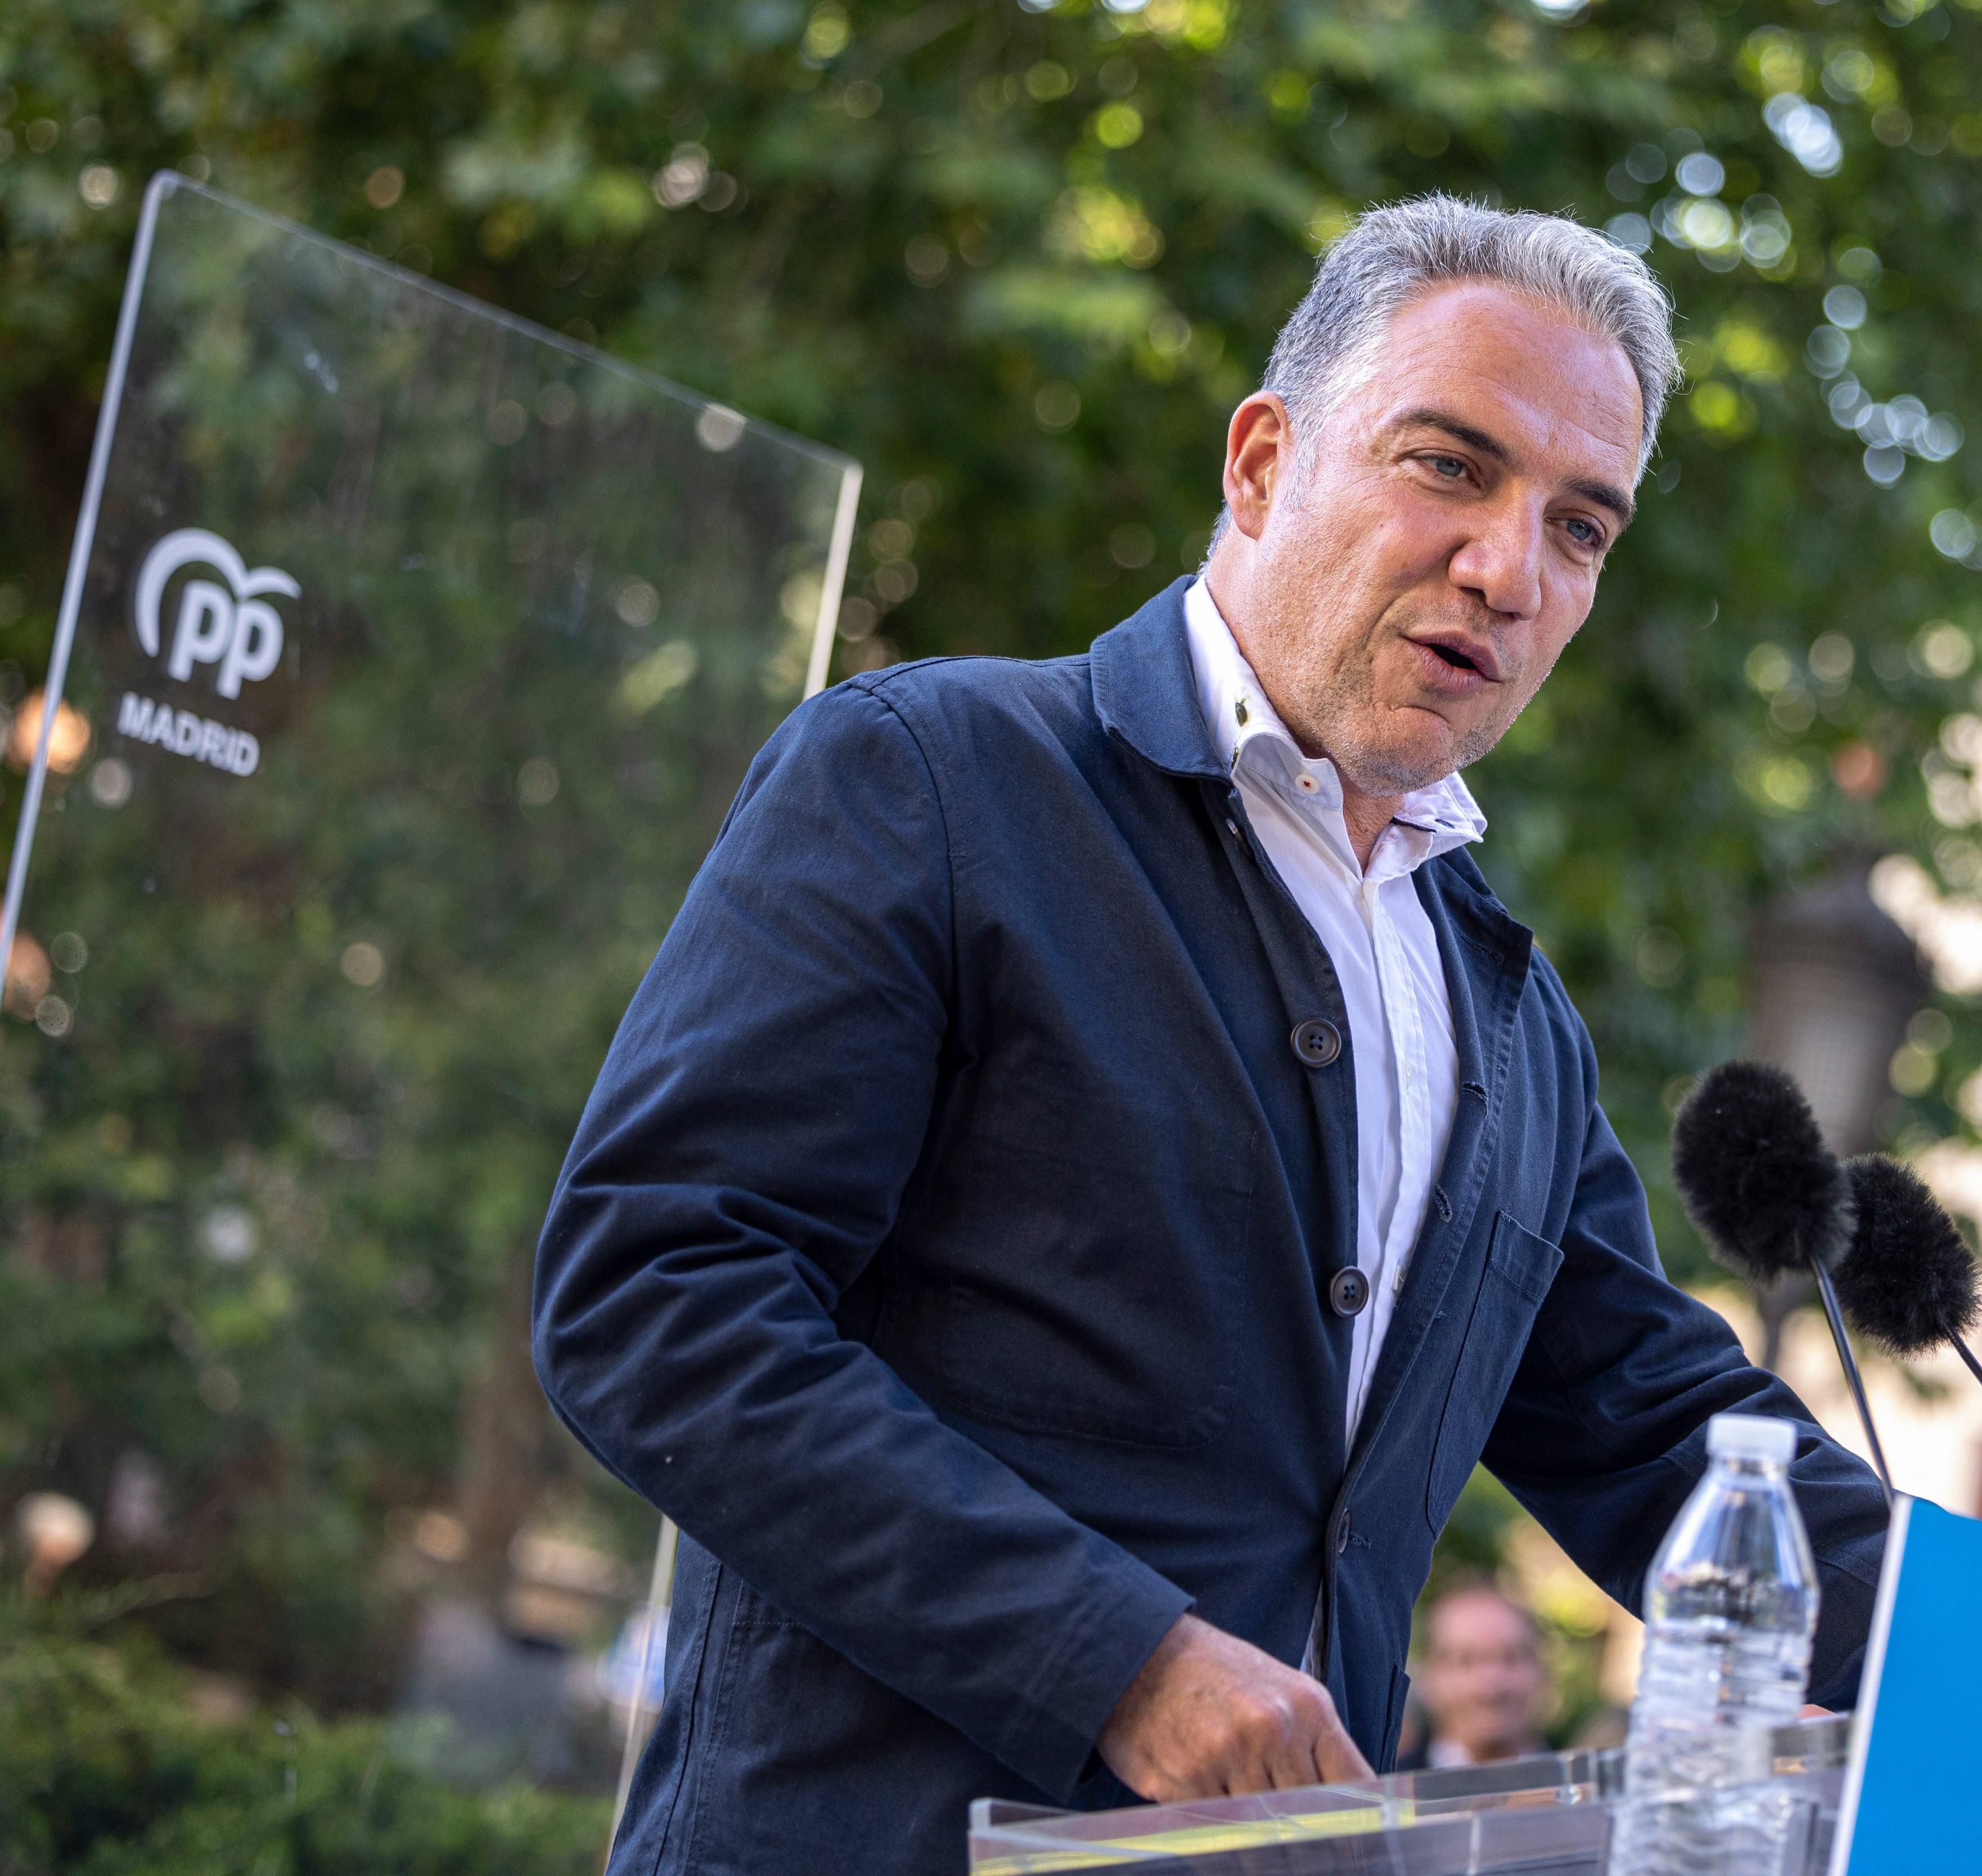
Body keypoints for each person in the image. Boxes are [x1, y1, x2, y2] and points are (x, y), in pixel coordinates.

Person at [531, 195, 1891, 1876]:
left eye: (1580, 528)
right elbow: (654, 1293)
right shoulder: (929, 778)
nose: (1509, 569)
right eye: (1447, 465)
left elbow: (1651, 1419)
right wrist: (1119, 1655)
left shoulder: (1510, 1013)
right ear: (1258, 463)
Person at [1401, 1580, 1552, 1770]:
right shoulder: (1383, 1794)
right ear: (1429, 1675)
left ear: (1542, 1670)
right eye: (1466, 1661)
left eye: (1511, 1658)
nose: (1490, 1685)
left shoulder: (1587, 1790)